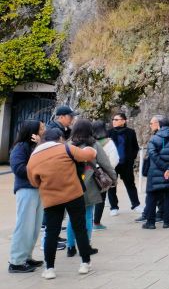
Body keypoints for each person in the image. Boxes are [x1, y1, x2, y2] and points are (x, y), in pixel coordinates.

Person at [27, 127, 97, 279]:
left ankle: (50, 268)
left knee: (51, 232)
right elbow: (88, 155)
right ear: (59, 138)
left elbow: (33, 181)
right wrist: (92, 149)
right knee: (79, 228)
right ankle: (85, 263)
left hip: (51, 198)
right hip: (73, 194)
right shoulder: (65, 148)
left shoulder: (34, 157)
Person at [66, 119, 116, 258]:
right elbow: (105, 163)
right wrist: (113, 179)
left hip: (71, 183)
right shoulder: (93, 144)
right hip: (88, 183)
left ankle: (70, 247)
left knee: (72, 216)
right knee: (87, 215)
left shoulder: (68, 144)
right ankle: (86, 246)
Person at [8, 120, 46, 273]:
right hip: (26, 189)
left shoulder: (38, 145)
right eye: (41, 128)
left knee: (35, 227)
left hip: (38, 189)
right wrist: (38, 172)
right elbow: (18, 168)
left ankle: (26, 257)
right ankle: (16, 262)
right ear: (32, 131)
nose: (44, 129)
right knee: (24, 225)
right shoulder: (20, 147)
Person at [142, 116, 169, 229]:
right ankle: (167, 222)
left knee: (151, 196)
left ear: (160, 125)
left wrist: (164, 167)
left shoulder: (154, 139)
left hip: (155, 172)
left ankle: (150, 223)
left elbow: (152, 155)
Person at [106, 112, 141, 217]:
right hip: (112, 164)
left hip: (126, 163)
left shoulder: (131, 132)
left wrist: (131, 158)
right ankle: (113, 207)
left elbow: (135, 147)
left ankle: (136, 205)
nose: (114, 121)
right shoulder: (109, 133)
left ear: (123, 121)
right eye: (113, 119)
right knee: (112, 186)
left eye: (116, 119)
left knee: (130, 184)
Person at [93, 120, 120, 230]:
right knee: (101, 198)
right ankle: (96, 223)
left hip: (89, 173)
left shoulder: (88, 142)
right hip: (102, 175)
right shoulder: (108, 142)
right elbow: (115, 159)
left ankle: (87, 220)